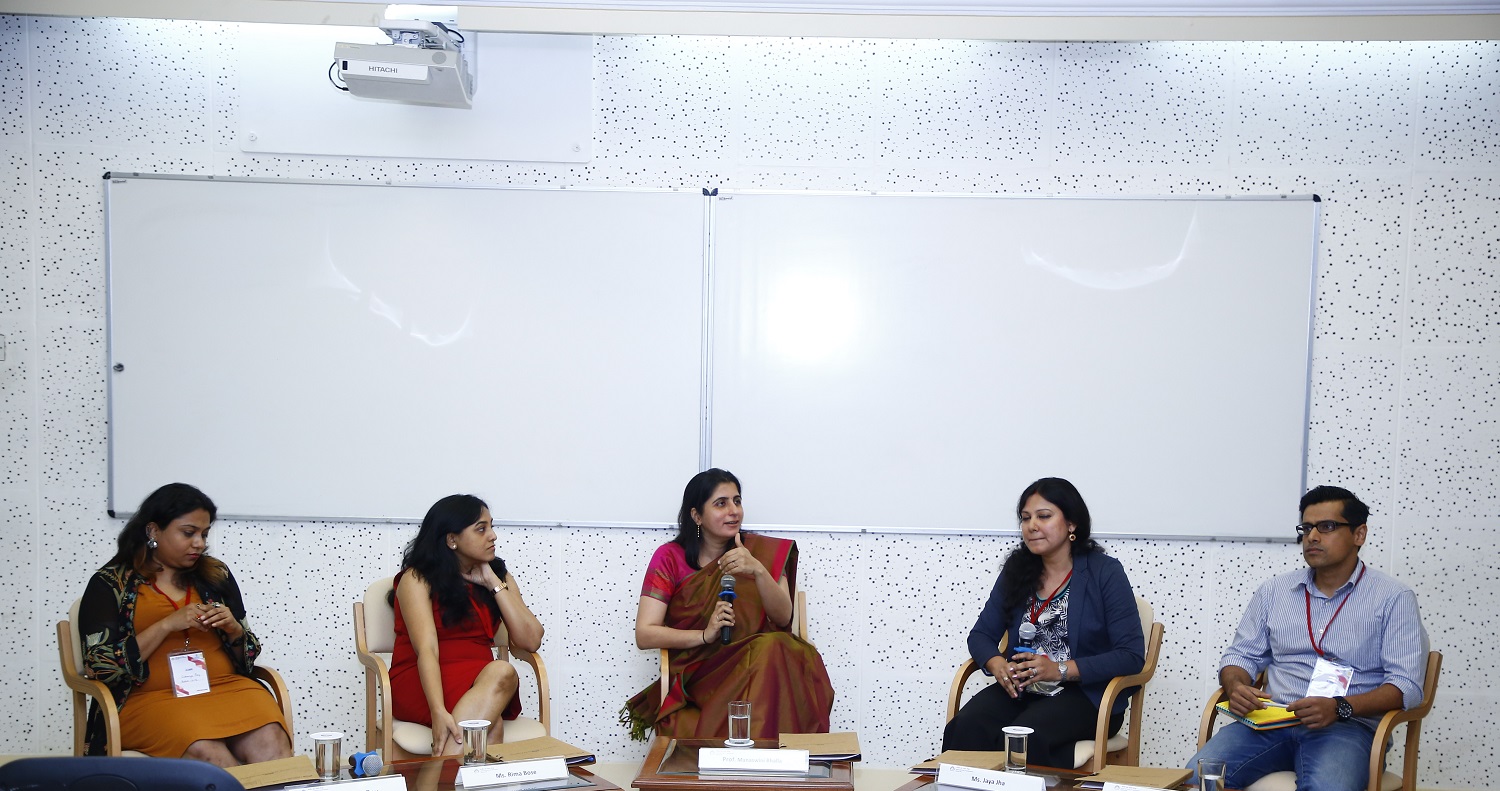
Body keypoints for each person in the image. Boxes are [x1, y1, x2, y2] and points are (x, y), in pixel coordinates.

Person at [1188, 486, 1428, 791]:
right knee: (1196, 780)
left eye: (1327, 527)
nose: (1312, 537)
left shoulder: (1393, 598)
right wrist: (1236, 686)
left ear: (1359, 534)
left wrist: (1340, 707)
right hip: (1270, 722)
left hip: (1347, 727)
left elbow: (1406, 686)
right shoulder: (1274, 592)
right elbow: (1239, 658)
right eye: (1307, 527)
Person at [77, 483, 292, 764]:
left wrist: (234, 630)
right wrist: (166, 625)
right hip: (150, 699)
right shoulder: (109, 584)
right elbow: (99, 666)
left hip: (227, 688)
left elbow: (248, 656)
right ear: (153, 531)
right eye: (188, 533)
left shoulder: (216, 575)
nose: (199, 543)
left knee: (272, 740)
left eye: (204, 534)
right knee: (207, 752)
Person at [943, 477, 1145, 769]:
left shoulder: (1105, 572)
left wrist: (1059, 670)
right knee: (967, 726)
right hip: (1021, 687)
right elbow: (981, 635)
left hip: (1085, 696)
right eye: (1025, 518)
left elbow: (1131, 656)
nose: (1031, 526)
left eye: (1044, 516)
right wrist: (998, 665)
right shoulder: (1017, 571)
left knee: (1024, 736)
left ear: (1072, 523)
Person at [621, 468, 834, 742]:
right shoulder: (670, 558)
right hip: (700, 672)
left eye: (737, 501)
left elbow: (783, 618)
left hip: (761, 666)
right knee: (773, 651)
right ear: (696, 515)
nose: (734, 511)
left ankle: (755, 769)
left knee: (778, 647)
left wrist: (757, 571)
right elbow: (645, 633)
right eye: (721, 503)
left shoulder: (760, 553)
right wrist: (704, 634)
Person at [390, 494, 544, 755]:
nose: (493, 535)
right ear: (452, 539)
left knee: (491, 721)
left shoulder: (498, 576)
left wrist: (492, 583)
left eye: (492, 526)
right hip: (424, 679)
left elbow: (531, 640)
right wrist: (438, 710)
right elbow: (427, 650)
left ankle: (438, 780)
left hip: (480, 682)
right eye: (481, 529)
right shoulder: (416, 579)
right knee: (502, 675)